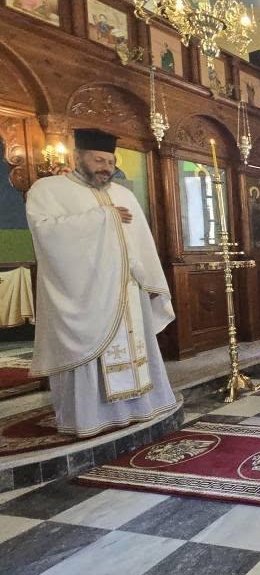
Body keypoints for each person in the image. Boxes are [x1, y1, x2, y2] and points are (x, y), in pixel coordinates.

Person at [26, 128, 179, 436]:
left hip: (128, 291)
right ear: (77, 157)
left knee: (136, 350)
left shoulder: (124, 194)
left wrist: (149, 280)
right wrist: (104, 217)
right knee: (91, 351)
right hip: (85, 293)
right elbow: (45, 233)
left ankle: (140, 407)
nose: (106, 168)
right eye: (98, 160)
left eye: (110, 162)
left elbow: (140, 242)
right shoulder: (48, 190)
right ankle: (90, 417)